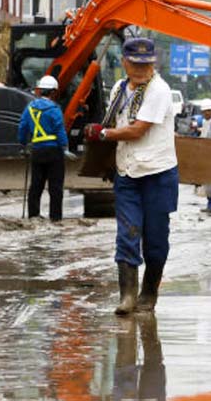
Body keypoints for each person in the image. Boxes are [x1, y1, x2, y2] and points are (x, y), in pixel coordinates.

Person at [83, 37, 179, 316]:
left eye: (146, 64)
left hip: (158, 175)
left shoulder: (159, 90)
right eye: (135, 64)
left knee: (156, 240)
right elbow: (114, 122)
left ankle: (149, 292)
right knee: (127, 233)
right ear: (124, 62)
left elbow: (137, 131)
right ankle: (127, 296)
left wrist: (103, 133)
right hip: (127, 172)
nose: (140, 70)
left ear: (153, 63)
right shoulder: (119, 88)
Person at [17, 75, 74, 221]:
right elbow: (60, 130)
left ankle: (33, 216)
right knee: (55, 188)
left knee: (36, 186)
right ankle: (55, 218)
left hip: (37, 152)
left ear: (39, 91)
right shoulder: (55, 109)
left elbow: (22, 128)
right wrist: (65, 147)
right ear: (53, 92)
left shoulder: (29, 109)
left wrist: (23, 144)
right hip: (54, 152)